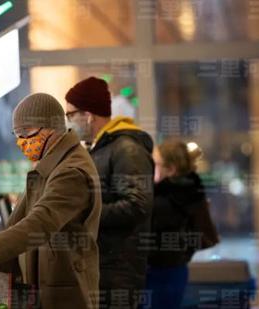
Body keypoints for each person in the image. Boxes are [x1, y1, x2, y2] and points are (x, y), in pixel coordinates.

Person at [0, 93, 102, 308]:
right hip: (47, 289)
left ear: (50, 128)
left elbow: (41, 221)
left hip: (67, 294)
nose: (21, 142)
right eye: (17, 134)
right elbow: (19, 221)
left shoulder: (71, 172)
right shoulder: (49, 166)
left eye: (25, 133)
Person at [65, 77, 154, 308]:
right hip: (103, 268)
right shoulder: (101, 148)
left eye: (70, 115)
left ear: (89, 115)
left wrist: (86, 214)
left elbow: (138, 204)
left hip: (118, 273)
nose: (68, 122)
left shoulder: (126, 148)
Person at [145, 140, 218, 309]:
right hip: (176, 269)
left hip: (161, 271)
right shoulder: (190, 190)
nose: (150, 169)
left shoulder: (165, 199)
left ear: (171, 169)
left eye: (155, 164)